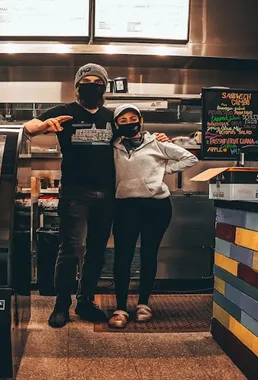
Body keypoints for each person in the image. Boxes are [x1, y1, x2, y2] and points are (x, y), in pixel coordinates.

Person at [23, 64, 167, 328]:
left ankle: (85, 301)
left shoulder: (112, 118)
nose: (92, 85)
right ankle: (61, 305)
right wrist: (42, 125)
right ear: (77, 87)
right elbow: (29, 127)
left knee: (97, 252)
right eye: (86, 81)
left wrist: (157, 137)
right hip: (75, 194)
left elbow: (137, 137)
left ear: (104, 87)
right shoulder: (65, 112)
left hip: (107, 196)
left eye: (97, 81)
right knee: (70, 250)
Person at [107, 104, 198, 329]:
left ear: (141, 119)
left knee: (149, 255)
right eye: (123, 120)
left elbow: (190, 158)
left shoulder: (157, 143)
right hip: (125, 207)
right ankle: (120, 307)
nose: (129, 123)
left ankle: (143, 303)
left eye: (133, 118)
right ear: (116, 124)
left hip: (156, 207)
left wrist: (163, 170)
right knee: (123, 257)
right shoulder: (113, 146)